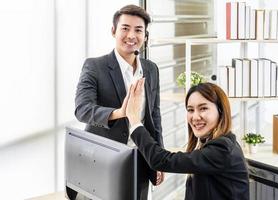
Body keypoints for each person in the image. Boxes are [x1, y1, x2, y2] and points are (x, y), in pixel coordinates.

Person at [72, 4, 164, 200]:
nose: (132, 35)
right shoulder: (95, 66)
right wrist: (120, 112)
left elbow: (154, 116)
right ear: (113, 31)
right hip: (103, 159)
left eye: (138, 30)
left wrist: (158, 158)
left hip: (140, 158)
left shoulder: (151, 69)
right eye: (125, 28)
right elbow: (82, 110)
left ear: (145, 36)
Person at [126, 80, 250, 200]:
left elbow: (161, 160)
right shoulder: (215, 143)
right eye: (190, 110)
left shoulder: (221, 149)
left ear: (221, 112)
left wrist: (134, 120)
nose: (195, 117)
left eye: (203, 108)